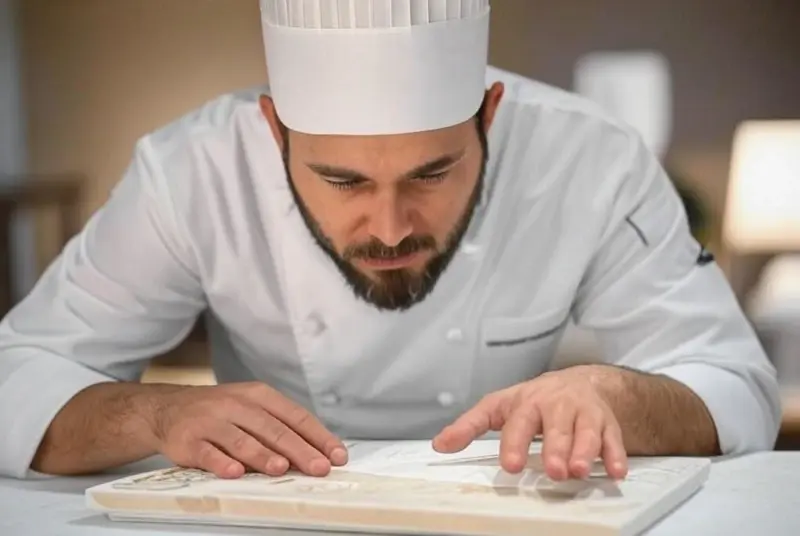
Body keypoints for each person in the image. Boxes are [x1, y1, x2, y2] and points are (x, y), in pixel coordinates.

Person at [0, 0, 781, 482]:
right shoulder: (191, 172)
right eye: (341, 180)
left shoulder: (590, 159)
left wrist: (617, 396)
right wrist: (153, 414)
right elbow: (16, 376)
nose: (390, 227)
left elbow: (738, 387)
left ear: (490, 115)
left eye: (432, 173)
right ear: (273, 131)